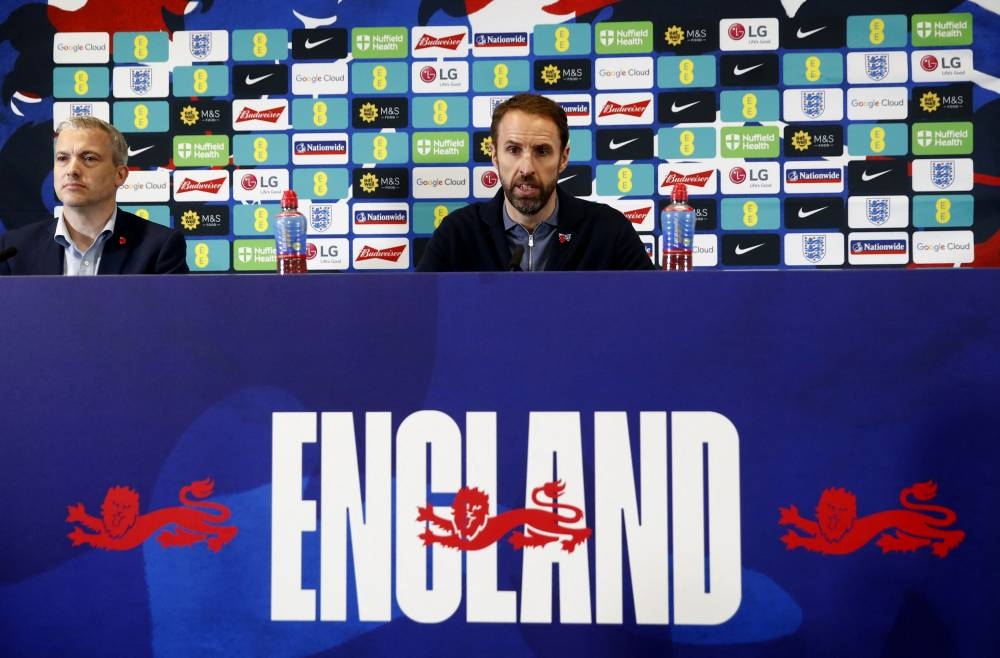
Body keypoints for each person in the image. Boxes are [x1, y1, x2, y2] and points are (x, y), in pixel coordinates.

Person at [416, 93, 654, 272]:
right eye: (513, 150)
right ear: (495, 156)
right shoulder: (458, 233)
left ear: (563, 158)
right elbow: (418, 315)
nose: (527, 168)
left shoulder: (609, 230)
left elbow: (652, 313)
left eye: (542, 151)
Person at [0, 116, 188, 275]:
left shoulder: (159, 248)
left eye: (89, 158)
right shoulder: (14, 250)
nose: (72, 170)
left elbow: (176, 317)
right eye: (62, 158)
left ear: (120, 175)